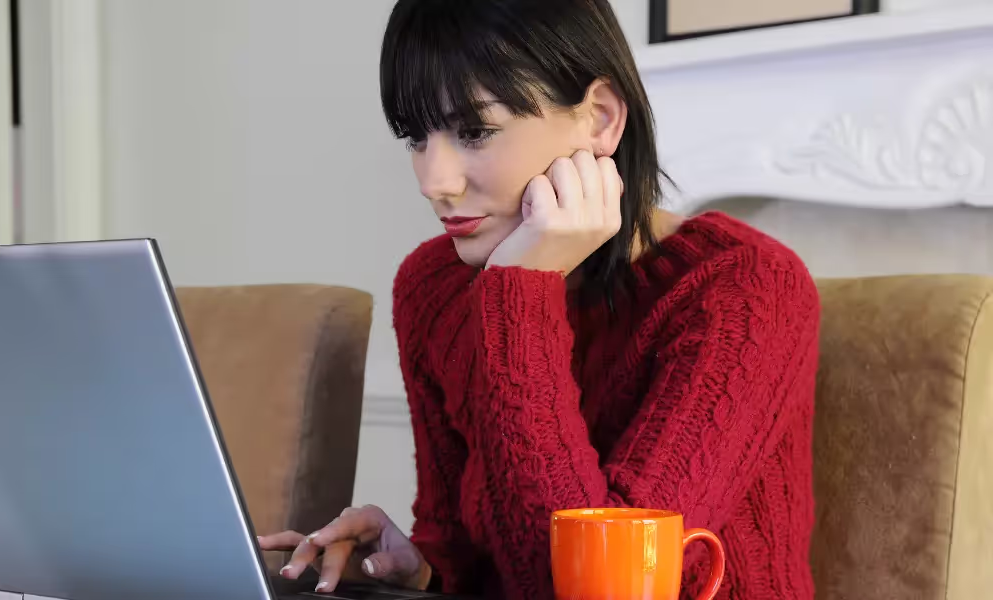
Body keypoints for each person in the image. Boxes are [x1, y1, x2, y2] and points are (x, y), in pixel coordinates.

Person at [259, 0, 820, 598]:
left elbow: (605, 588)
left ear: (601, 119)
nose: (433, 182)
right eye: (415, 137)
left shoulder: (745, 288)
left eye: (474, 130)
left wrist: (522, 294)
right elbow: (461, 541)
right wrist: (426, 570)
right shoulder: (432, 286)